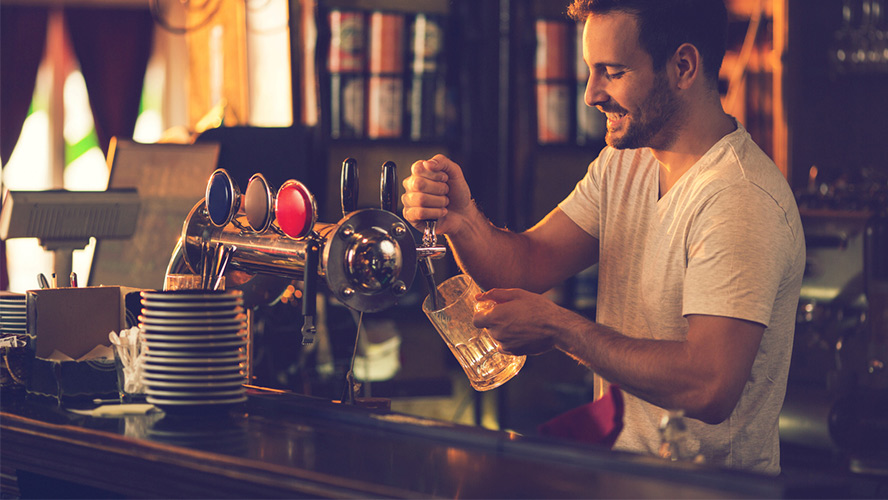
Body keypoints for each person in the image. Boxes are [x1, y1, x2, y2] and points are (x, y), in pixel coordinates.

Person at [401, 0, 804, 475]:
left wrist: (560, 328)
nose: (591, 94)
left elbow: (708, 385)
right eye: (591, 71)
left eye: (612, 72)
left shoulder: (739, 197)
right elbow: (528, 263)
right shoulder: (625, 163)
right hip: (622, 480)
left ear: (683, 66)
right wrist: (463, 221)